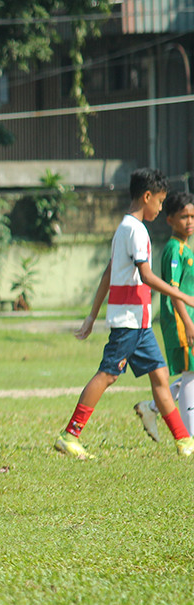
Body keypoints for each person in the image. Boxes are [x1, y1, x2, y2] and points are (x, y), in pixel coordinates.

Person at [58, 168, 194, 459]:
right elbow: (145, 275)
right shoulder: (135, 230)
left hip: (140, 322)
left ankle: (184, 440)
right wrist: (182, 295)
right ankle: (70, 435)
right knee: (108, 375)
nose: (160, 208)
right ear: (146, 197)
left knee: (159, 377)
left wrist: (92, 316)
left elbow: (109, 272)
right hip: (128, 322)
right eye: (159, 202)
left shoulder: (124, 229)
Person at [133, 191, 194, 440]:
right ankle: (189, 436)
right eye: (183, 217)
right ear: (169, 220)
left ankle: (152, 407)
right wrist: (188, 323)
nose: (189, 221)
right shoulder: (173, 250)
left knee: (191, 373)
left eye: (192, 216)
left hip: (188, 318)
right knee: (190, 373)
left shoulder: (185, 247)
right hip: (181, 320)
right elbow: (174, 291)